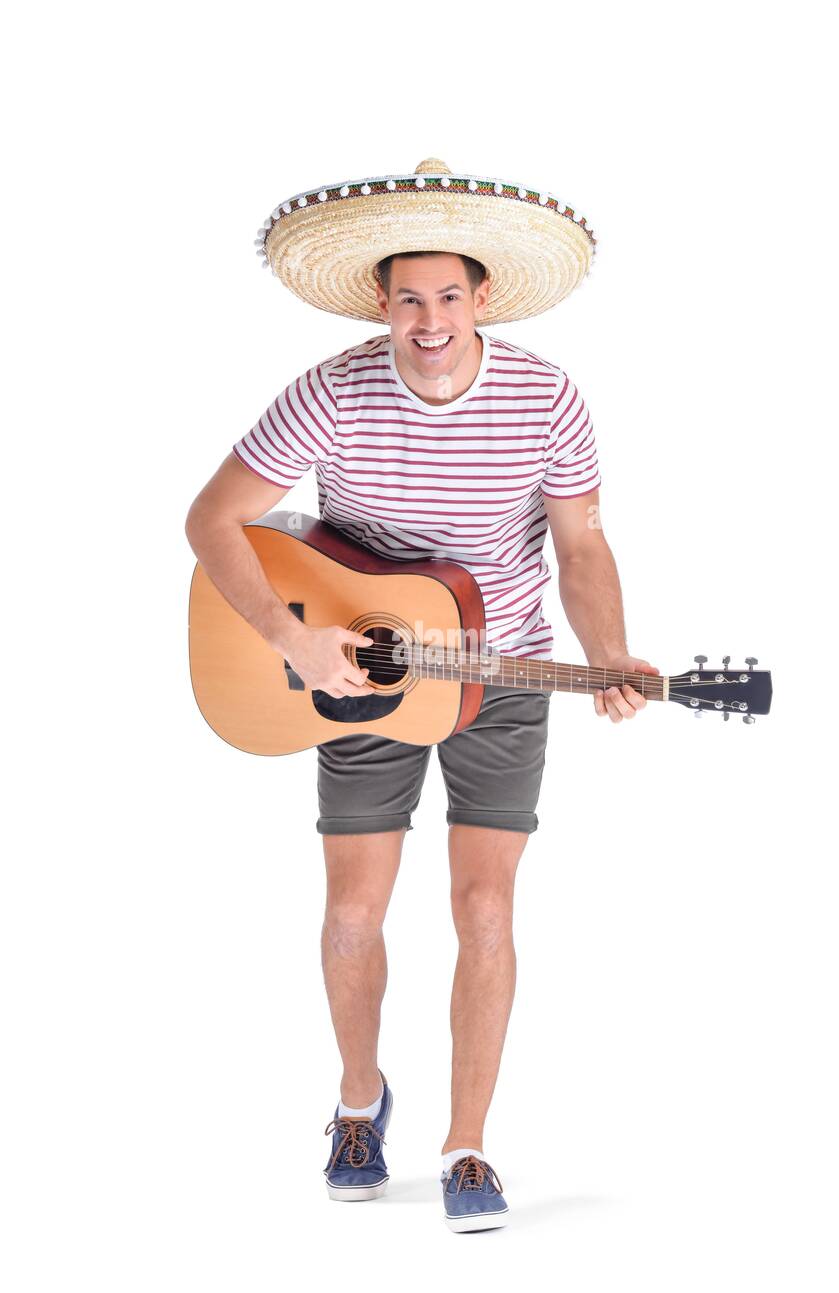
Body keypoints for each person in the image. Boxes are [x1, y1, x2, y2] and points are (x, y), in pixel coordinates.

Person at [185, 158, 658, 1233]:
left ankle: (467, 1143)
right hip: (354, 677)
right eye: (408, 297)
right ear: (382, 301)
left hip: (503, 671)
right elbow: (212, 519)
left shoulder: (546, 396)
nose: (429, 319)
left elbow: (579, 544)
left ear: (481, 296)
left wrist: (612, 651)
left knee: (482, 905)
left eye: (448, 296)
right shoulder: (332, 390)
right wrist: (287, 642)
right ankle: (358, 1105)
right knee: (354, 908)